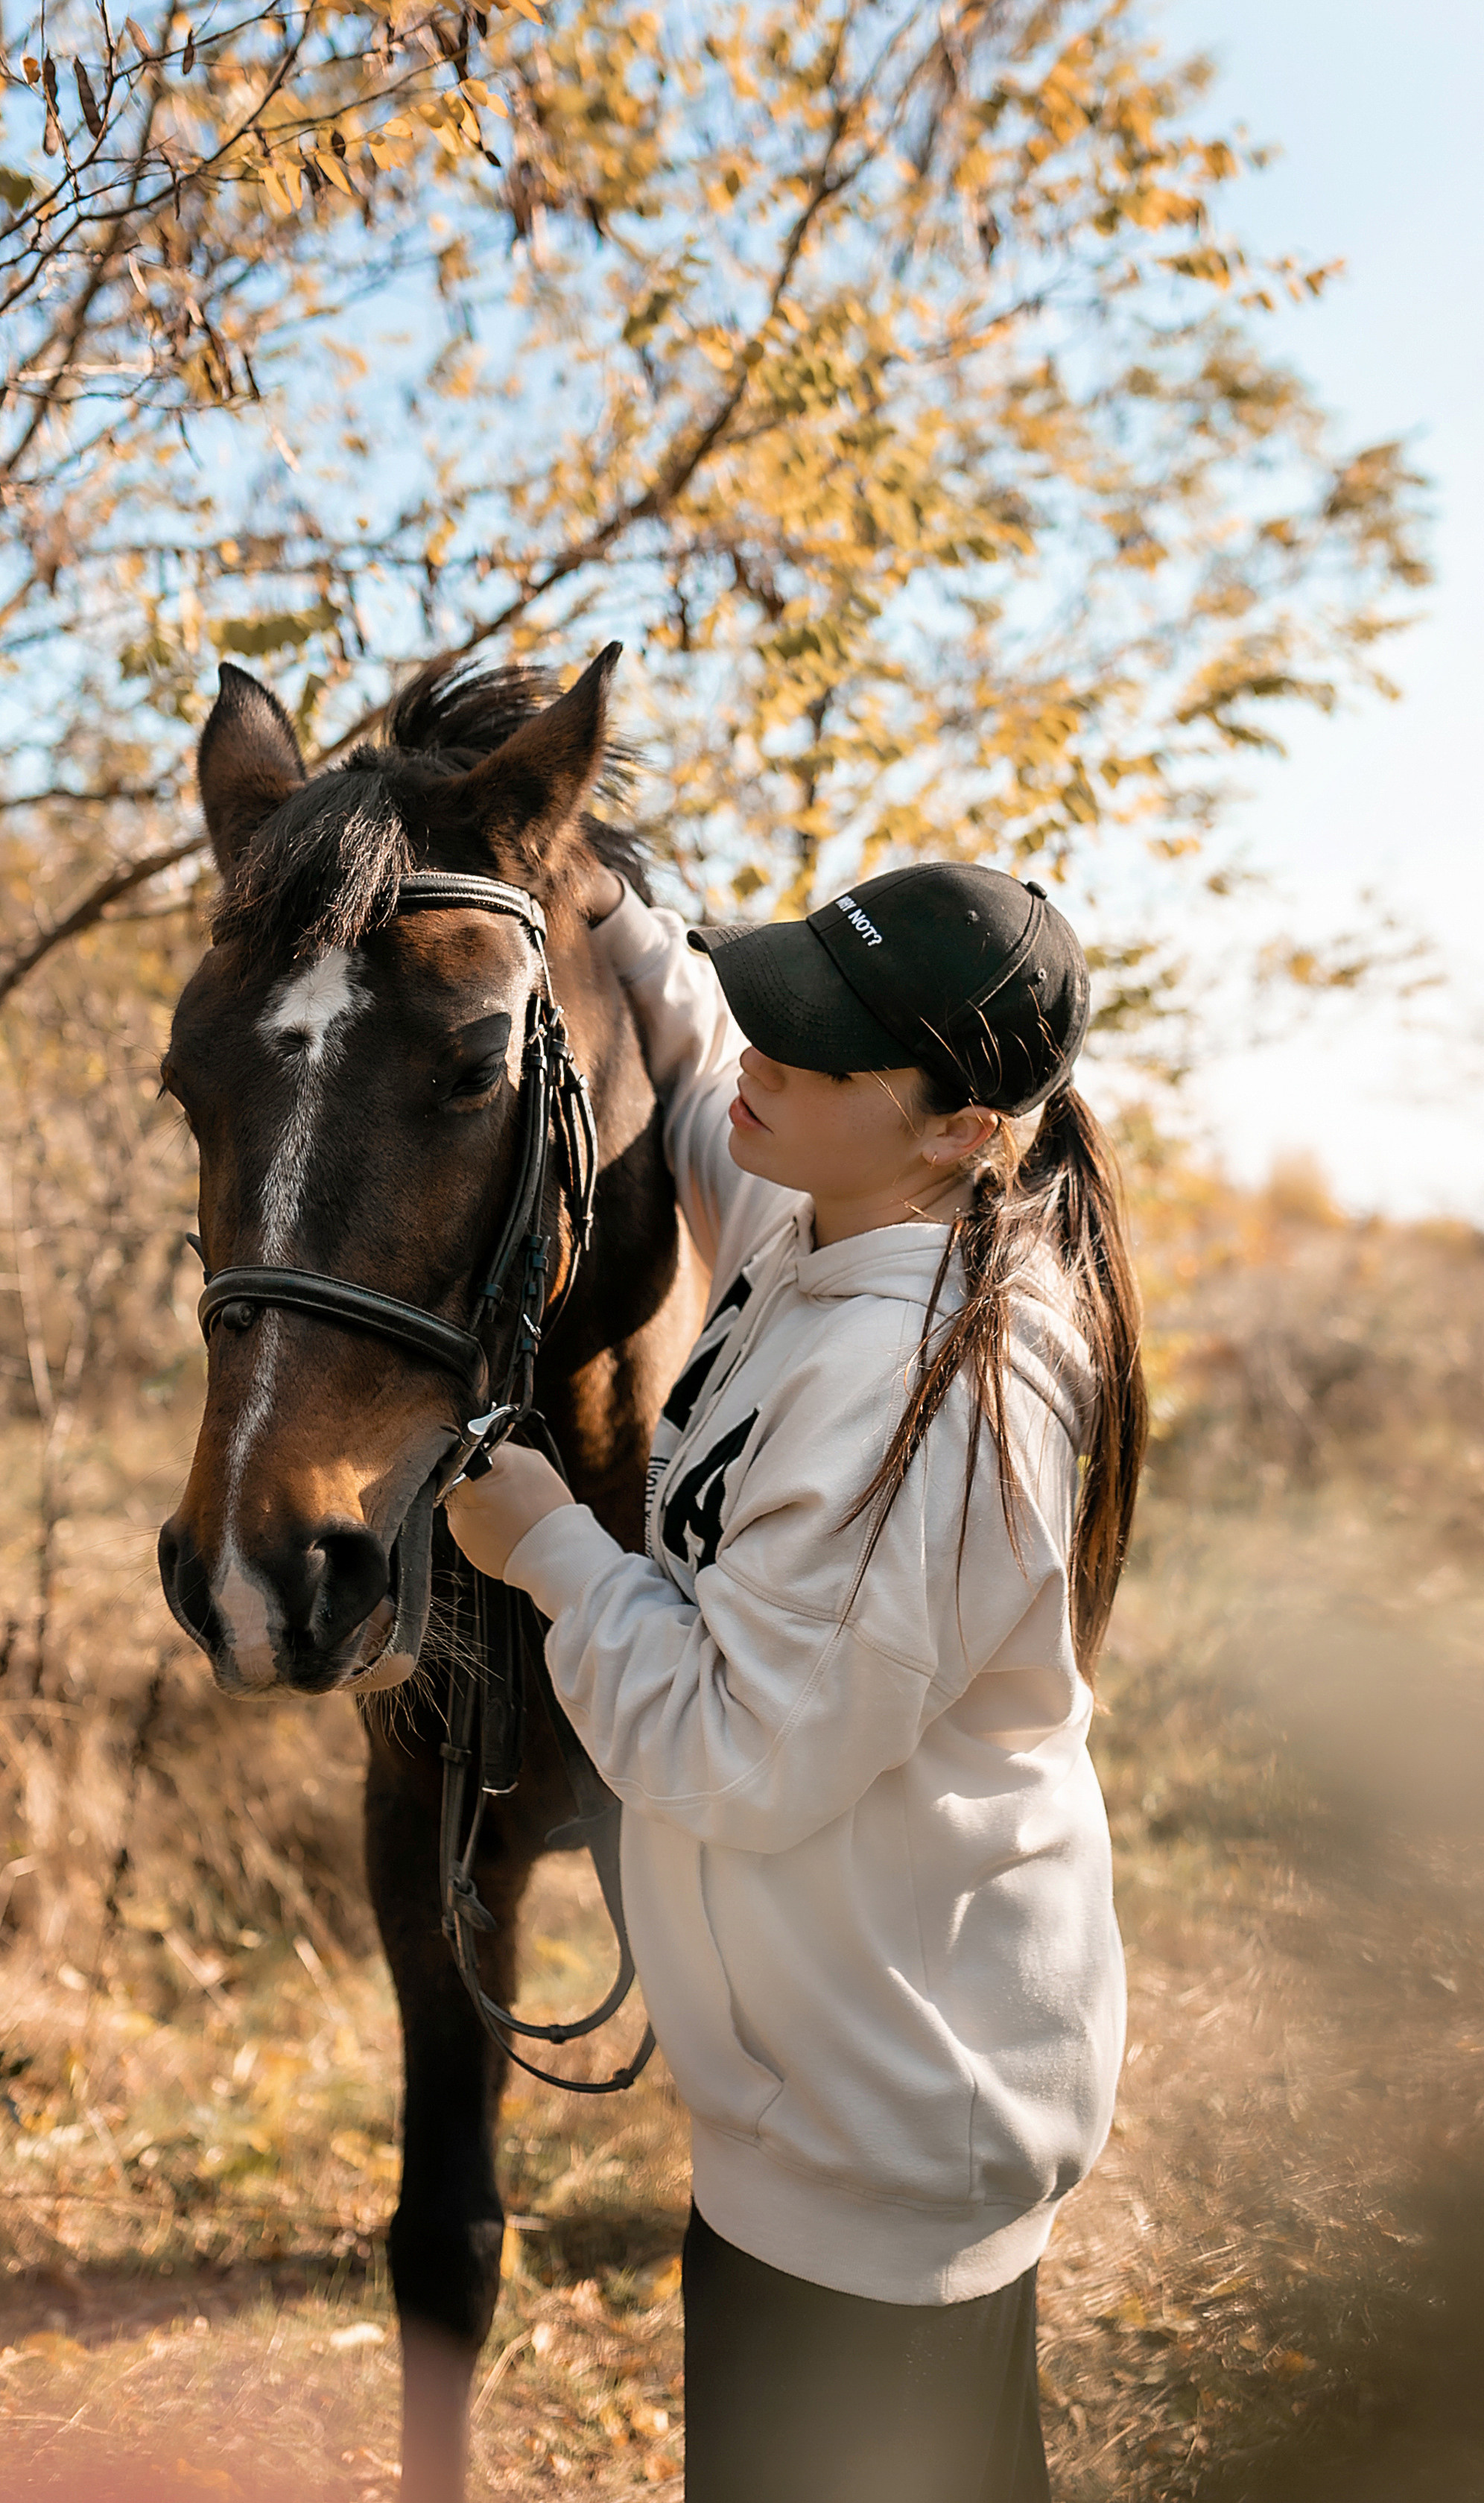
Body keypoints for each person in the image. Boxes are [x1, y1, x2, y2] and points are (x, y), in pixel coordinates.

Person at [445, 857, 1148, 2503]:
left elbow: (733, 1765)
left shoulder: (935, 1393)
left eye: (814, 1051)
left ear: (960, 1124)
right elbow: (699, 1081)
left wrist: (548, 1543)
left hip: (885, 2150)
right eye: (773, 1010)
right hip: (813, 2113)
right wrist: (601, 905)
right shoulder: (833, 1210)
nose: (762, 1057)